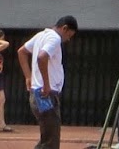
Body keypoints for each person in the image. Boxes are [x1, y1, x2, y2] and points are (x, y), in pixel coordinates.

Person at [19, 16, 79, 149]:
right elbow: (42, 57)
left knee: (47, 137)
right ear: (64, 28)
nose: (68, 39)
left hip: (37, 93)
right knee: (51, 139)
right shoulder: (54, 38)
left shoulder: (41, 35)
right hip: (46, 94)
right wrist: (46, 84)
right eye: (69, 35)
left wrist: (28, 77)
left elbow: (22, 52)